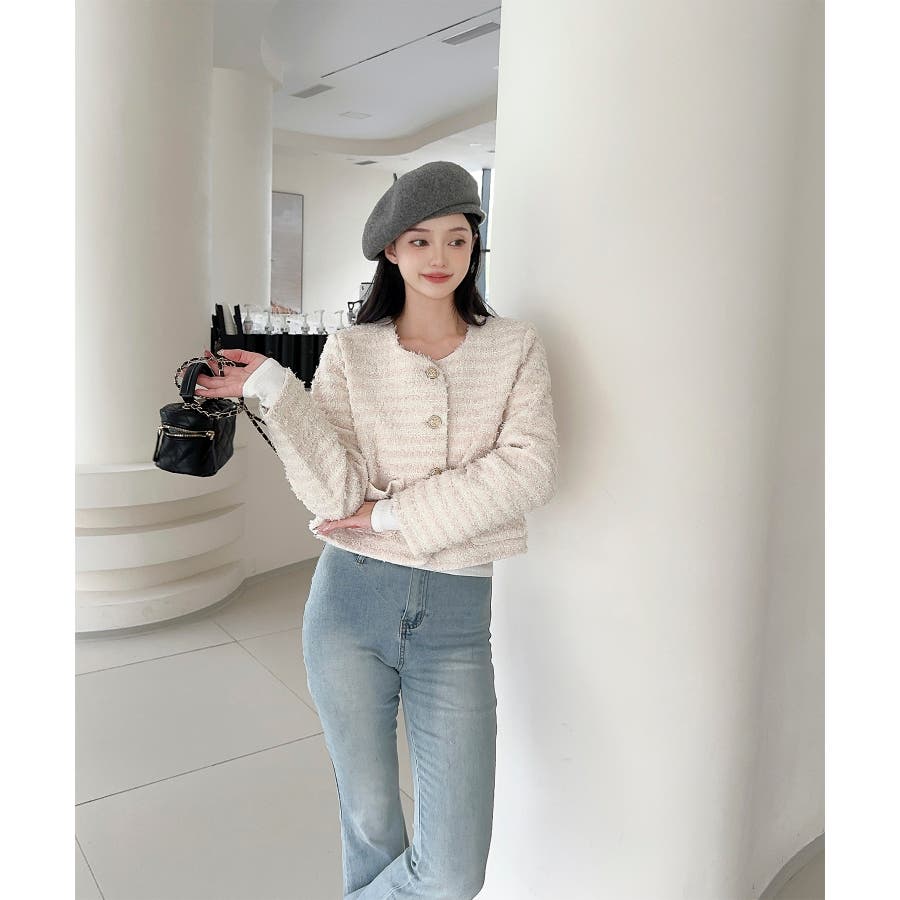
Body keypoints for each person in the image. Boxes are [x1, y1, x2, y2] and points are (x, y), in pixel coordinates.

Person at [194, 160, 560, 899]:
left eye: (456, 239)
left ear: (475, 245)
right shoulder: (351, 350)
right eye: (419, 240)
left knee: (453, 871)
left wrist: (390, 514)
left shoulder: (514, 347)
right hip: (349, 605)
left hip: (456, 617)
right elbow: (334, 492)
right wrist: (274, 389)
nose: (439, 257)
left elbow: (530, 471)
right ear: (391, 250)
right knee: (369, 826)